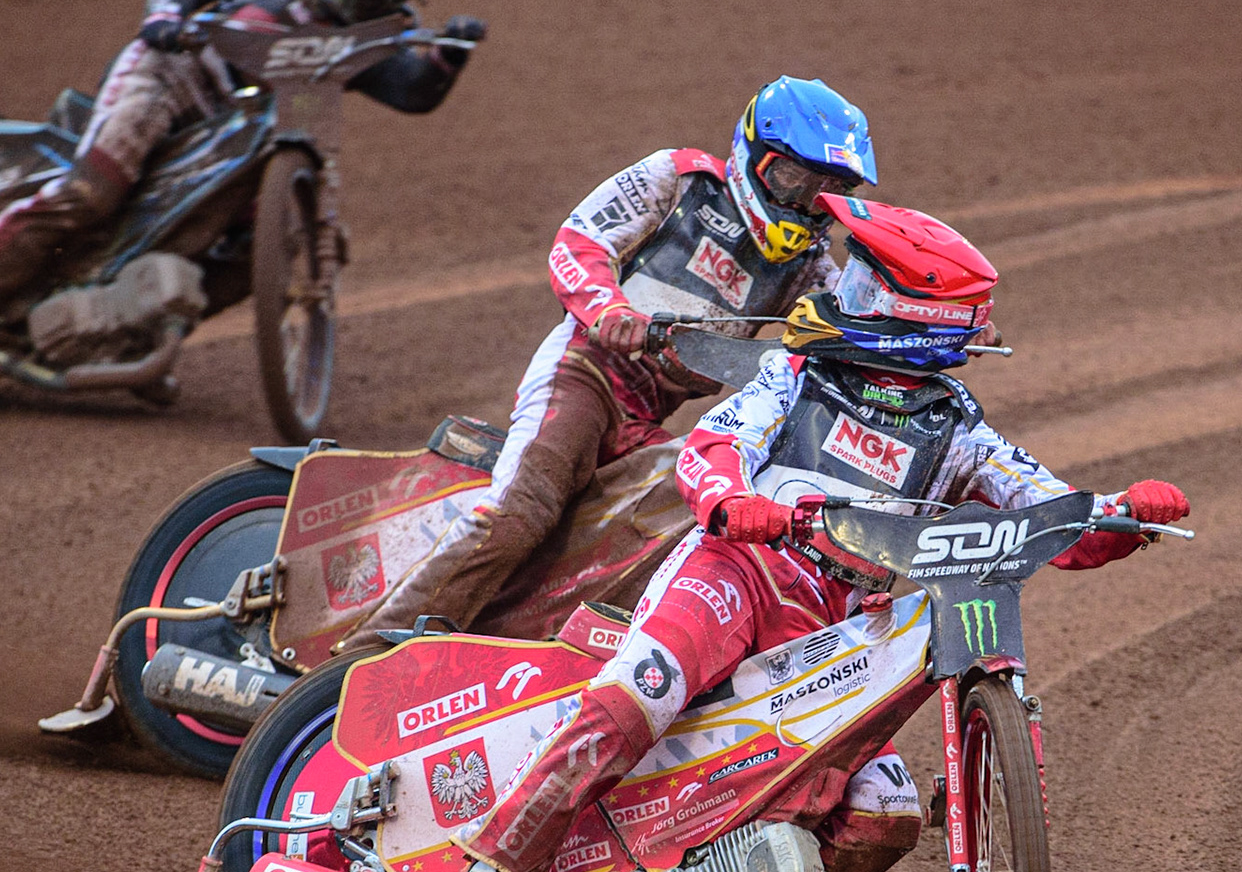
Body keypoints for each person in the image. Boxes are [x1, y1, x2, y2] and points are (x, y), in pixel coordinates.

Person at [443, 194, 1192, 872]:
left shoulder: (958, 426)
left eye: (870, 290)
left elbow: (1048, 510)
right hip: (737, 573)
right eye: (857, 281)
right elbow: (714, 446)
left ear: (919, 323)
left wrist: (1118, 515)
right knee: (640, 693)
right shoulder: (796, 372)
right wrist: (732, 499)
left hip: (833, 627)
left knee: (889, 811)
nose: (844, 297)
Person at [335, 76, 879, 648]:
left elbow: (848, 337)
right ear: (755, 157)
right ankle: (359, 660)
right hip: (584, 374)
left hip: (649, 418)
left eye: (823, 191)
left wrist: (944, 327)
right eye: (793, 180)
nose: (802, 203)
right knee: (523, 511)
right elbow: (580, 240)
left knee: (671, 530)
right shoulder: (681, 180)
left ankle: (518, 654)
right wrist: (609, 308)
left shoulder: (810, 268)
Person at [0, 0, 485, 376]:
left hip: (261, 131)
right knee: (92, 193)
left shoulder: (383, 28)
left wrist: (449, 58)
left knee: (264, 251)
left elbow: (410, 91)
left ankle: (130, 339)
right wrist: (164, 18)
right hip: (174, 76)